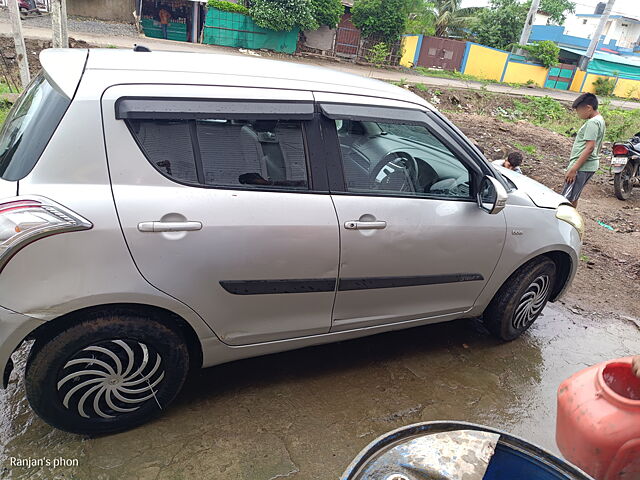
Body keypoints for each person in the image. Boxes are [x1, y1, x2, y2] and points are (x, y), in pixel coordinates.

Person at [561, 93, 606, 208]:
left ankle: (564, 224)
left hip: (582, 167)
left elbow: (590, 147)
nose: (578, 114)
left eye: (579, 110)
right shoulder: (600, 120)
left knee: (565, 199)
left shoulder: (592, 123)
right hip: (588, 166)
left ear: (588, 108)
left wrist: (573, 169)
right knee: (573, 196)